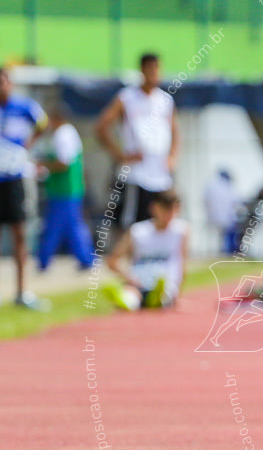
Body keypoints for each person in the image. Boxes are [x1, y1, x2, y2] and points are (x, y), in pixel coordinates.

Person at [96, 53, 178, 229]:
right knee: (132, 225)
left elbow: (175, 132)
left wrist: (172, 156)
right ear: (142, 70)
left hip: (160, 174)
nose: (154, 74)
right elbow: (102, 127)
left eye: (157, 69)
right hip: (136, 173)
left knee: (161, 222)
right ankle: (125, 256)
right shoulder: (127, 97)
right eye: (150, 69)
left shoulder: (165, 100)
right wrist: (120, 155)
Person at [0, 67, 49, 309]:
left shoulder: (24, 107)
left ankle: (22, 291)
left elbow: (43, 122)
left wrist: (28, 144)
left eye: (4, 82)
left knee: (20, 233)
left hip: (15, 177)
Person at [104, 190, 188, 311]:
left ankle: (156, 298)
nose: (170, 215)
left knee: (164, 293)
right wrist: (129, 278)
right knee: (132, 297)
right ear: (154, 208)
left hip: (165, 283)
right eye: (165, 210)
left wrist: (179, 293)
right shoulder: (137, 231)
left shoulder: (181, 231)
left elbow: (182, 265)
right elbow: (112, 260)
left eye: (173, 210)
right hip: (139, 282)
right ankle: (124, 298)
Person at [35, 105, 94, 272]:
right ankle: (86, 259)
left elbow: (63, 163)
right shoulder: (68, 132)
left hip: (64, 189)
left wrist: (42, 165)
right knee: (73, 226)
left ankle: (44, 260)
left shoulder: (63, 135)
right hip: (68, 188)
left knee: (55, 226)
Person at [204, 169, 241, 254]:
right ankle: (228, 252)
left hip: (212, 217)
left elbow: (205, 201)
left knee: (216, 236)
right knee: (229, 233)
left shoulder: (210, 185)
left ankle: (221, 251)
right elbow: (236, 201)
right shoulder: (228, 187)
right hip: (226, 218)